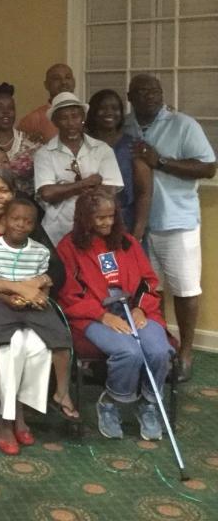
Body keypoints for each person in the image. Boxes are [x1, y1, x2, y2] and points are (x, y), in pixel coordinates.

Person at [0, 168, 73, 454]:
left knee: (34, 346)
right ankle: (6, 420)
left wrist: (38, 284)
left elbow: (56, 269)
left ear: (14, 193)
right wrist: (17, 289)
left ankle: (17, 412)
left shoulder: (27, 223)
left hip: (31, 304)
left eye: (4, 190)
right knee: (11, 346)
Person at [57, 186, 173, 440]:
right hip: (93, 315)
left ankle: (149, 404)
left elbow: (148, 281)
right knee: (128, 352)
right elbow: (68, 294)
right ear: (85, 218)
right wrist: (102, 316)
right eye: (100, 218)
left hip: (135, 308)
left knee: (158, 350)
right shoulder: (69, 246)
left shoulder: (127, 242)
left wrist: (141, 308)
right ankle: (110, 401)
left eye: (111, 216)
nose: (107, 222)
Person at [124, 73, 216, 381]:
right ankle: (162, 346)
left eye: (155, 90)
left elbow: (208, 166)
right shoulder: (127, 126)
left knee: (186, 289)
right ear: (130, 97)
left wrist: (160, 162)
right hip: (140, 226)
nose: (150, 95)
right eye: (142, 91)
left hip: (178, 223)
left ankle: (186, 352)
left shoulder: (183, 124)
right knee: (152, 291)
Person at [34, 92, 123, 245]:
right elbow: (47, 193)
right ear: (55, 122)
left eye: (75, 116)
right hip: (57, 232)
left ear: (83, 118)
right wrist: (86, 183)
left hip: (96, 231)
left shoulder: (102, 150)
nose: (70, 123)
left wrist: (63, 189)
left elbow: (109, 191)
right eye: (63, 118)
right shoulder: (44, 153)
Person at [86, 89, 151, 239]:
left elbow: (144, 193)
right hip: (87, 223)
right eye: (103, 108)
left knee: (119, 263)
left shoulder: (133, 146)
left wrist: (138, 232)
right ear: (93, 112)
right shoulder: (83, 144)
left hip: (124, 222)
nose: (109, 112)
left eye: (115, 109)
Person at [18, 63, 76, 143]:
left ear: (74, 82)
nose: (63, 82)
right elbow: (20, 151)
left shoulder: (85, 116)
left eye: (68, 77)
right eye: (57, 79)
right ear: (46, 85)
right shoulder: (33, 120)